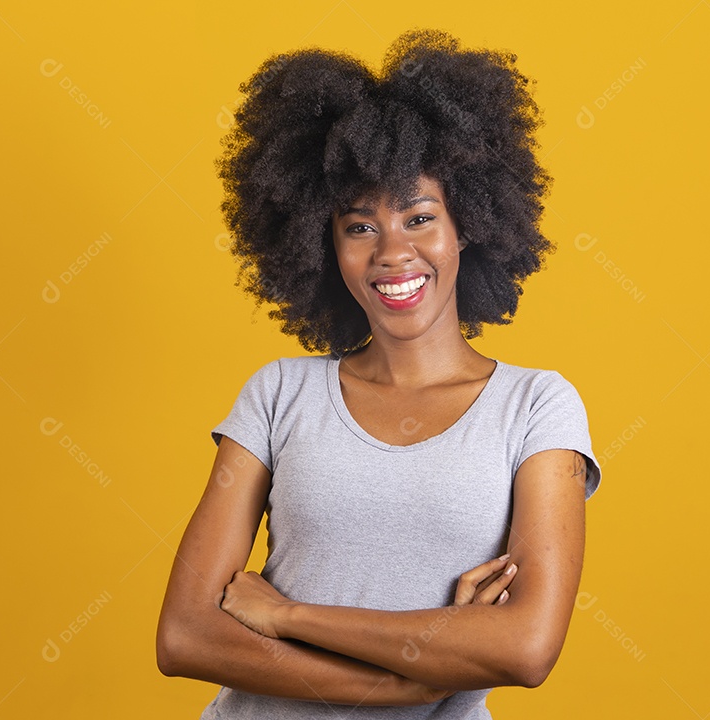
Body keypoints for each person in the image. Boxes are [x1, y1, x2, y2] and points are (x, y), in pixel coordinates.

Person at [156, 27, 603, 719]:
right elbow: (185, 635)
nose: (394, 252)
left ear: (467, 227)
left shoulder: (536, 407)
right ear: (321, 243)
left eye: (420, 217)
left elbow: (527, 646)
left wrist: (289, 616)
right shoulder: (279, 394)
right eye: (360, 227)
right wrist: (416, 676)